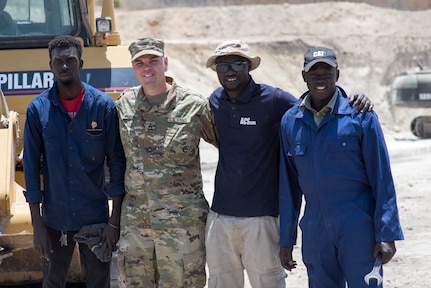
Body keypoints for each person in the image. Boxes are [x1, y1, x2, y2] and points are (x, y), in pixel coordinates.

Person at [204, 40, 373, 288]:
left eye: (238, 63)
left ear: (249, 67)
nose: (230, 71)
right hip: (220, 217)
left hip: (262, 218)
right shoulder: (215, 100)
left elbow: (317, 105)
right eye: (223, 65)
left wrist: (351, 99)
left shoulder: (274, 99)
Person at [278, 46, 404, 287]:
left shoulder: (360, 116)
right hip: (315, 230)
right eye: (313, 72)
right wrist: (287, 237)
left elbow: (382, 178)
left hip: (358, 227)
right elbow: (289, 187)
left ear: (338, 73)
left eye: (327, 70)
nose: (320, 77)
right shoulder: (290, 122)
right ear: (303, 76)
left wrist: (387, 233)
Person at [23, 35, 126, 288]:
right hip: (54, 222)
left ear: (81, 62)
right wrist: (38, 225)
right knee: (52, 283)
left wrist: (115, 221)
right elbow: (31, 168)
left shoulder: (103, 107)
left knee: (98, 284)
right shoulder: (38, 110)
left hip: (96, 221)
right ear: (51, 65)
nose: (65, 66)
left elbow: (116, 163)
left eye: (70, 60)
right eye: (59, 61)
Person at [115, 38, 218, 288]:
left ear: (166, 63)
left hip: (181, 226)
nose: (147, 67)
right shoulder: (124, 105)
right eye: (140, 62)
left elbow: (229, 148)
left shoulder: (193, 105)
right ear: (133, 68)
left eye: (153, 60)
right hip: (137, 228)